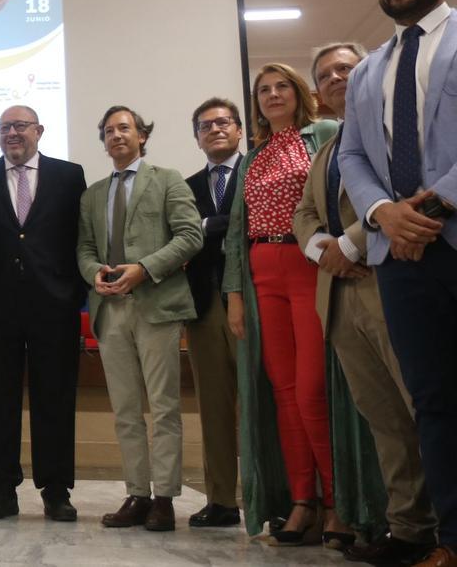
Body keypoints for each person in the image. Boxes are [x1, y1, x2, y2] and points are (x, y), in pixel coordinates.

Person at [338, 0, 457, 567]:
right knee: (433, 401)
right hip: (401, 258)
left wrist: (430, 206)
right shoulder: (367, 70)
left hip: (449, 232)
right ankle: (451, 539)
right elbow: (354, 155)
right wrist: (384, 212)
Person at [295, 41, 437, 564]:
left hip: (391, 282)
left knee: (425, 409)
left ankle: (449, 531)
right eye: (326, 74)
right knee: (384, 418)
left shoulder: (396, 130)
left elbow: (412, 192)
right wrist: (321, 249)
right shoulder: (329, 151)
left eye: (346, 69)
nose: (336, 78)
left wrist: (351, 242)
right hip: (339, 299)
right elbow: (304, 213)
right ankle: (410, 528)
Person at [221, 63, 353, 545]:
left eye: (281, 87)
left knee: (313, 390)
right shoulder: (253, 156)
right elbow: (236, 231)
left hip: (310, 266)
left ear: (299, 93)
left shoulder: (322, 134)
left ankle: (341, 502)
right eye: (263, 90)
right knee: (281, 390)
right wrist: (235, 294)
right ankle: (303, 500)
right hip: (261, 272)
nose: (273, 95)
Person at [75, 106, 202, 532]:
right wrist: (93, 272)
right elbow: (85, 248)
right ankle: (137, 493)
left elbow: (190, 235)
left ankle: (163, 498)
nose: (116, 136)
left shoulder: (167, 180)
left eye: (124, 128)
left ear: (142, 136)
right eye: (108, 130)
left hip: (156, 306)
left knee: (164, 407)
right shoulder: (93, 194)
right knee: (126, 410)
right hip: (110, 311)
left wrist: (144, 269)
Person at [0, 105, 85, 522]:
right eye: (4, 127)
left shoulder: (70, 177)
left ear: (40, 129)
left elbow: (78, 237)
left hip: (54, 305)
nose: (12, 133)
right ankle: (1, 489)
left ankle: (56, 491)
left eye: (20, 126)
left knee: (55, 397)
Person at [182, 98, 242, 528]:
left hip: (254, 301)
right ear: (197, 137)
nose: (215, 129)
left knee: (261, 403)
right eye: (205, 125)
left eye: (223, 122)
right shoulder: (184, 187)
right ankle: (221, 499)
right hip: (203, 305)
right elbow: (182, 237)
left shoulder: (259, 172)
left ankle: (274, 498)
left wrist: (206, 226)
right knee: (214, 408)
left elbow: (233, 224)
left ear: (239, 129)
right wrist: (208, 227)